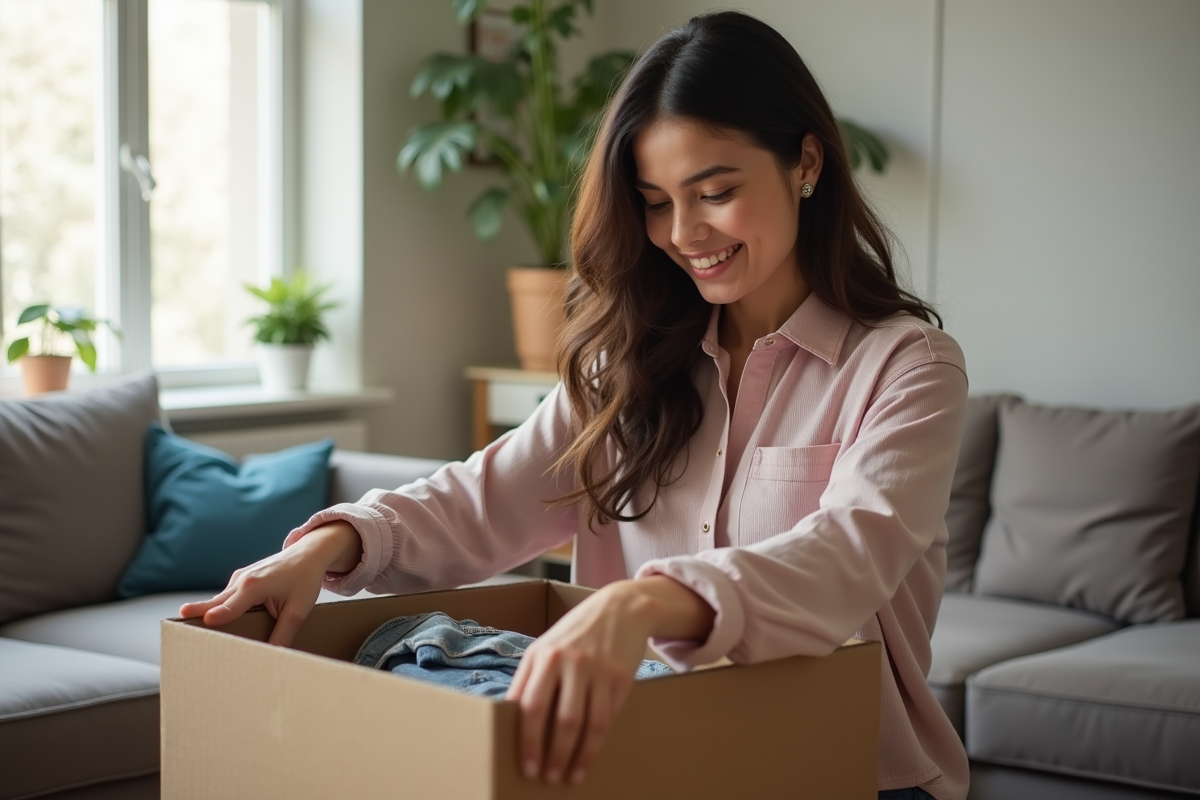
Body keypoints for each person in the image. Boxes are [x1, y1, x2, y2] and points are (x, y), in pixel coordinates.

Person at [181, 10, 969, 800]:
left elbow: (845, 560)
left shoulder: (906, 367)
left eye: (716, 192)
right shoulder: (624, 364)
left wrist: (640, 604)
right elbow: (484, 499)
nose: (684, 232)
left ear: (805, 162)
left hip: (849, 770)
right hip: (647, 760)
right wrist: (328, 548)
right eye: (656, 201)